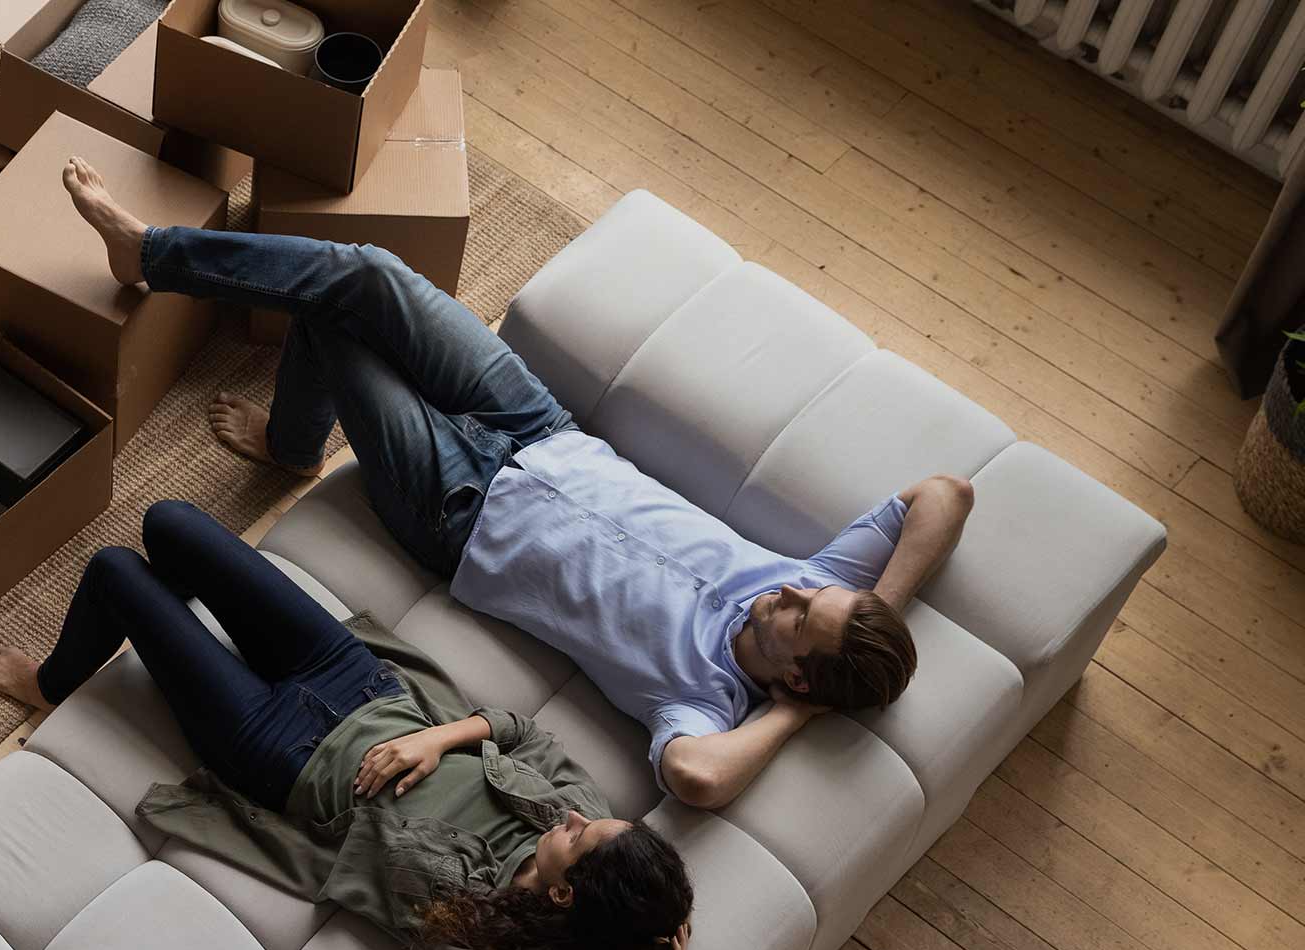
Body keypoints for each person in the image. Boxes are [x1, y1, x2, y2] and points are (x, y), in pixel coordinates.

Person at [55, 157, 977, 811]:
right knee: (368, 277)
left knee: (330, 326)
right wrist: (869, 602)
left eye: (794, 619)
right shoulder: (820, 587)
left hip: (458, 514)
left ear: (799, 678)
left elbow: (696, 779)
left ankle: (296, 446)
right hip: (543, 431)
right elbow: (945, 495)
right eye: (810, 591)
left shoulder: (702, 704)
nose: (789, 589)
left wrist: (792, 719)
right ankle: (150, 257)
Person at [0, 498, 692, 950]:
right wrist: (439, 738)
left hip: (277, 749)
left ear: (565, 893)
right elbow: (519, 730)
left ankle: (54, 684)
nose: (574, 815)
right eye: (591, 819)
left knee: (115, 572)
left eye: (580, 835)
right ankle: (174, 626)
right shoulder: (582, 814)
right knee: (169, 523)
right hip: (358, 682)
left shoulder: (479, 933)